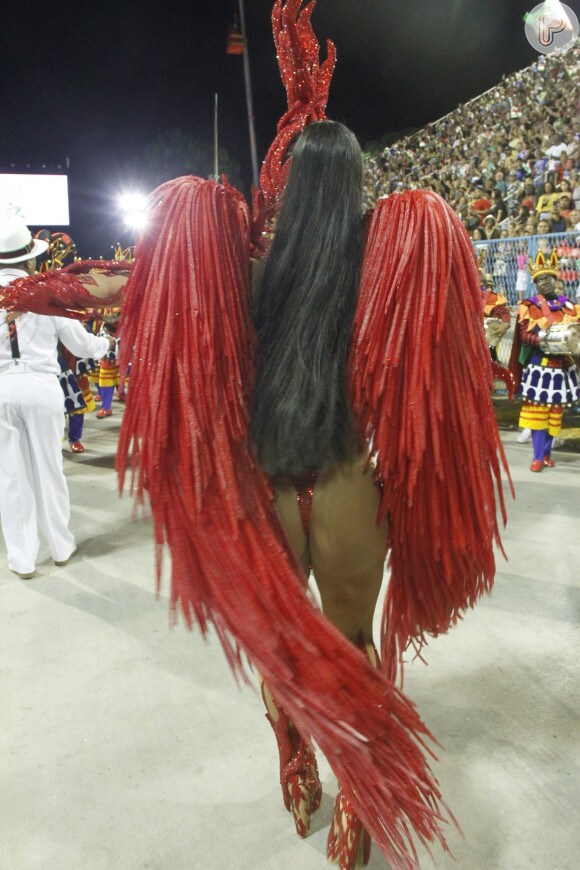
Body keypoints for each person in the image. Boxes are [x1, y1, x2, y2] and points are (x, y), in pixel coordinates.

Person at [1, 4, 509, 868]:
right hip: (351, 478)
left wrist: (22, 292)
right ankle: (357, 805)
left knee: (279, 646)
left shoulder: (231, 258)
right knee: (353, 647)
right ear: (350, 185)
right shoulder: (385, 251)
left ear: (275, 185)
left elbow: (109, 288)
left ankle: (291, 752)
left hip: (264, 480)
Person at [0, 219, 116, 578]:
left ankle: (21, 558)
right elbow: (79, 343)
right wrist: (107, 345)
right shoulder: (47, 291)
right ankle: (61, 546)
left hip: (1, 387)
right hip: (41, 387)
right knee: (49, 469)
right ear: (29, 259)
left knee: (10, 476)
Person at [511, 250, 580, 472]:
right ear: (535, 284)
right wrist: (545, 340)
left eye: (547, 278)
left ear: (555, 279)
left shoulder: (568, 306)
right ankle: (538, 457)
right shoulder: (528, 305)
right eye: (539, 280)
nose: (544, 282)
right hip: (539, 367)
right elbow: (524, 336)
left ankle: (548, 454)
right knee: (537, 414)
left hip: (562, 368)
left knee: (554, 414)